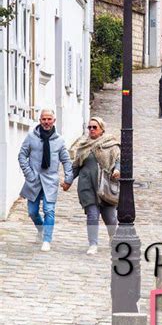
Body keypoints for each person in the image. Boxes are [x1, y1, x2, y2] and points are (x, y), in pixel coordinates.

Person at [18, 108, 73, 252]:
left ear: (54, 121)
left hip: (50, 181)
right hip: (34, 180)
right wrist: (29, 174)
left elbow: (66, 161)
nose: (46, 122)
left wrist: (68, 178)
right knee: (32, 212)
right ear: (40, 120)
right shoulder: (31, 137)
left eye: (49, 119)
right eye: (44, 119)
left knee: (49, 210)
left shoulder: (59, 140)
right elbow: (22, 156)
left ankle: (47, 239)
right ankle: (41, 229)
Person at [64, 116, 120, 255]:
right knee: (92, 215)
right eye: (89, 127)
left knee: (110, 218)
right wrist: (68, 181)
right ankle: (93, 244)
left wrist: (117, 170)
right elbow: (75, 166)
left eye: (94, 127)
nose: (91, 130)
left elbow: (118, 160)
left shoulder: (111, 145)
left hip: (105, 187)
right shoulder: (83, 146)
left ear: (102, 129)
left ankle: (113, 238)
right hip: (87, 186)